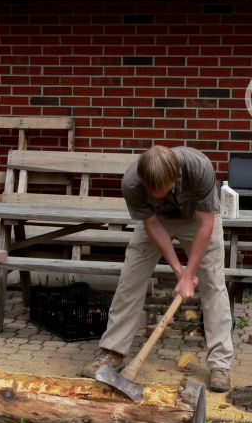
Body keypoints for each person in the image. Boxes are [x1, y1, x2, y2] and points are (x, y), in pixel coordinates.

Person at [80, 145, 234, 392]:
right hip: (157, 222)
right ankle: (112, 352)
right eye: (150, 190)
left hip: (198, 220)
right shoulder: (131, 183)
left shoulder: (199, 167)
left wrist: (190, 272)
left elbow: (206, 223)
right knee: (130, 279)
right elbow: (151, 223)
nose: (155, 194)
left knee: (214, 284)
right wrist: (178, 271)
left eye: (161, 190)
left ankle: (220, 364)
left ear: (176, 178)